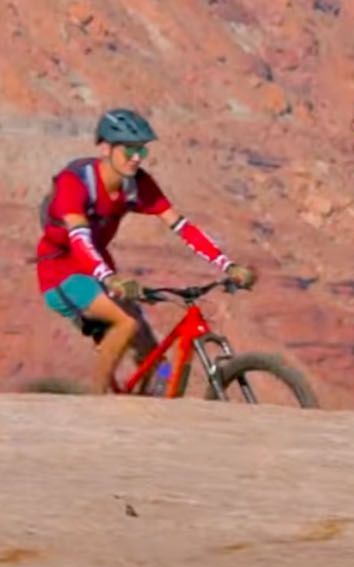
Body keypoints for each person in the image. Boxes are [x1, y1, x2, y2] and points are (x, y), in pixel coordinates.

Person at [35, 108, 257, 394]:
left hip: (100, 270)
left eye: (142, 150)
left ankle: (158, 392)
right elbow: (79, 239)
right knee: (125, 323)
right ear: (105, 148)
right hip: (61, 272)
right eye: (129, 151)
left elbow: (181, 226)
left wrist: (228, 266)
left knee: (156, 358)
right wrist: (109, 279)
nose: (137, 158)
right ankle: (95, 402)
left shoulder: (137, 184)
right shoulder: (74, 182)